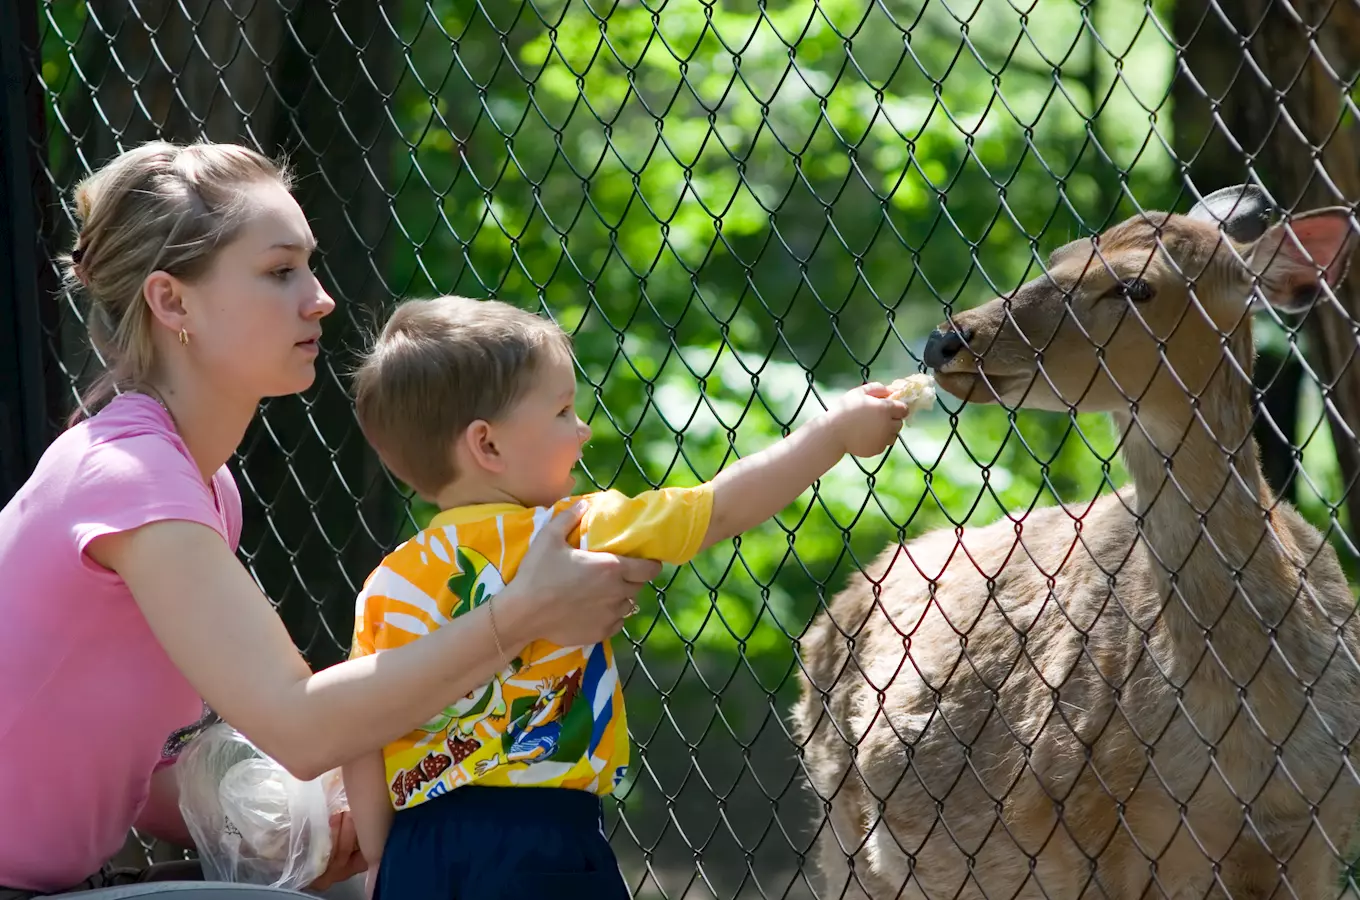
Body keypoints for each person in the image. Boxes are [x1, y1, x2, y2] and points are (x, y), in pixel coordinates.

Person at [0, 142, 661, 898]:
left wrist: (295, 827)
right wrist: (525, 611)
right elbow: (302, 725)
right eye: (281, 272)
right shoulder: (131, 481)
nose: (320, 298)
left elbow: (114, 762)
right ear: (171, 302)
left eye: (309, 267)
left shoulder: (202, 487)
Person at [342, 296, 917, 898]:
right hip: (540, 840)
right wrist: (834, 434)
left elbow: (359, 729)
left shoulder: (388, 583)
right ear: (488, 446)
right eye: (563, 411)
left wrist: (386, 858)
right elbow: (719, 507)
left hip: (419, 845)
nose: (583, 427)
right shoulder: (573, 530)